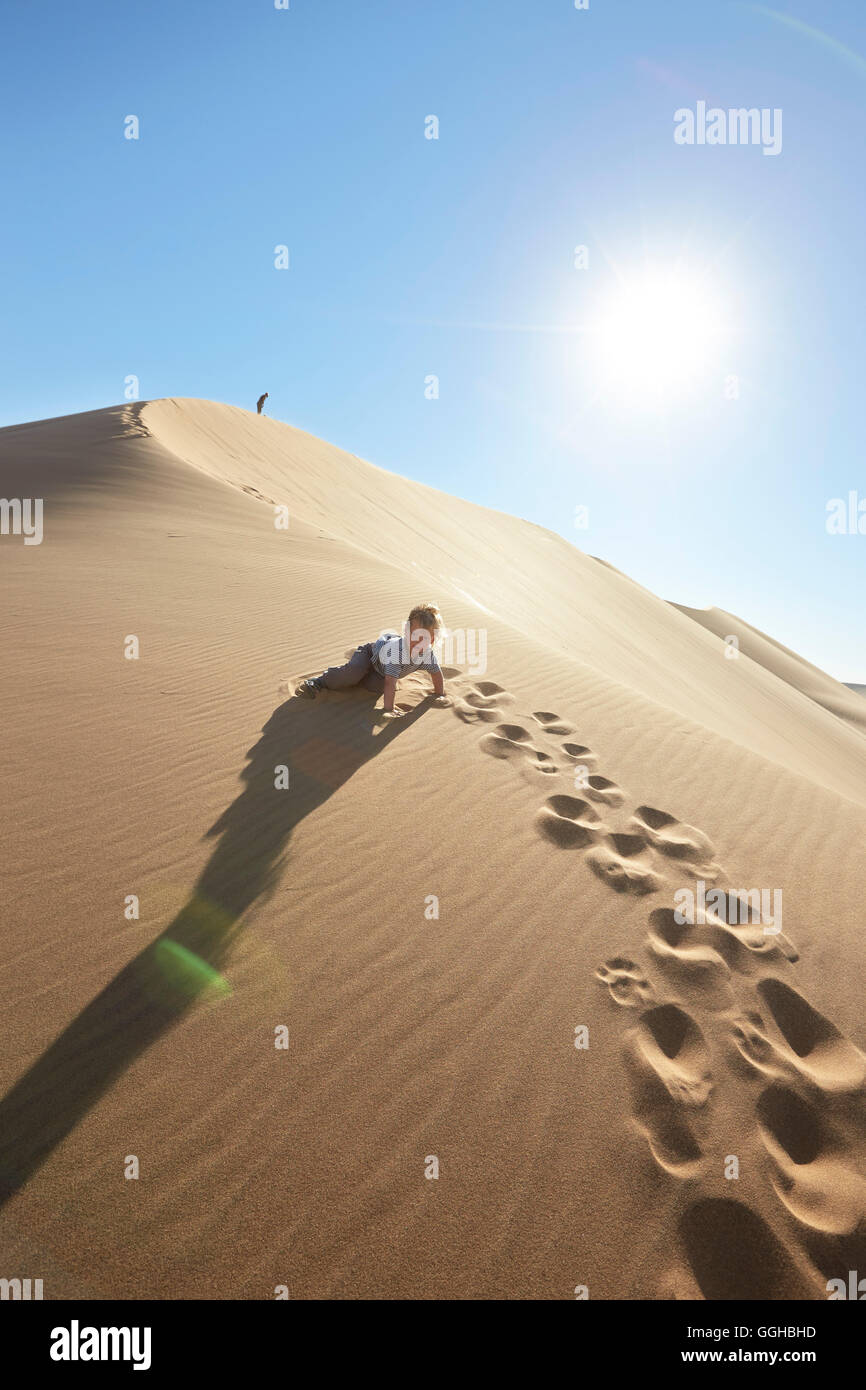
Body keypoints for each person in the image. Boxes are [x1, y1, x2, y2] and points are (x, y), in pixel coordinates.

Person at [296, 604, 449, 718]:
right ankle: (319, 681)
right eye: (413, 634)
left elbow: (436, 674)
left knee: (375, 686)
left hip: (380, 671)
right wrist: (389, 709)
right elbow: (391, 682)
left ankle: (362, 673)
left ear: (432, 639)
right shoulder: (399, 652)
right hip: (369, 654)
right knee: (353, 673)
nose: (416, 641)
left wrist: (439, 694)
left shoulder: (427, 654)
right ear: (406, 631)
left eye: (423, 638)